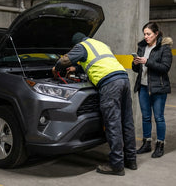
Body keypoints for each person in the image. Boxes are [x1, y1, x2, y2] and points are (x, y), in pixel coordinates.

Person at [52, 32, 136, 176]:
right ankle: (131, 160)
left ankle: (116, 165)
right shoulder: (99, 44)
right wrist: (76, 69)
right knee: (126, 121)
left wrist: (56, 68)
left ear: (76, 44)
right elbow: (96, 62)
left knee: (113, 124)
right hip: (123, 79)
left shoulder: (81, 46)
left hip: (109, 84)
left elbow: (64, 61)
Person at [132, 22, 173, 158]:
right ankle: (146, 143)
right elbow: (137, 69)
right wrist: (135, 63)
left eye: (148, 34)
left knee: (159, 117)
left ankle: (160, 145)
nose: (146, 37)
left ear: (156, 34)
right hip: (143, 87)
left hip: (158, 88)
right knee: (146, 117)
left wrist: (147, 61)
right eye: (144, 34)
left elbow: (165, 67)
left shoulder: (164, 48)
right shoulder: (142, 47)